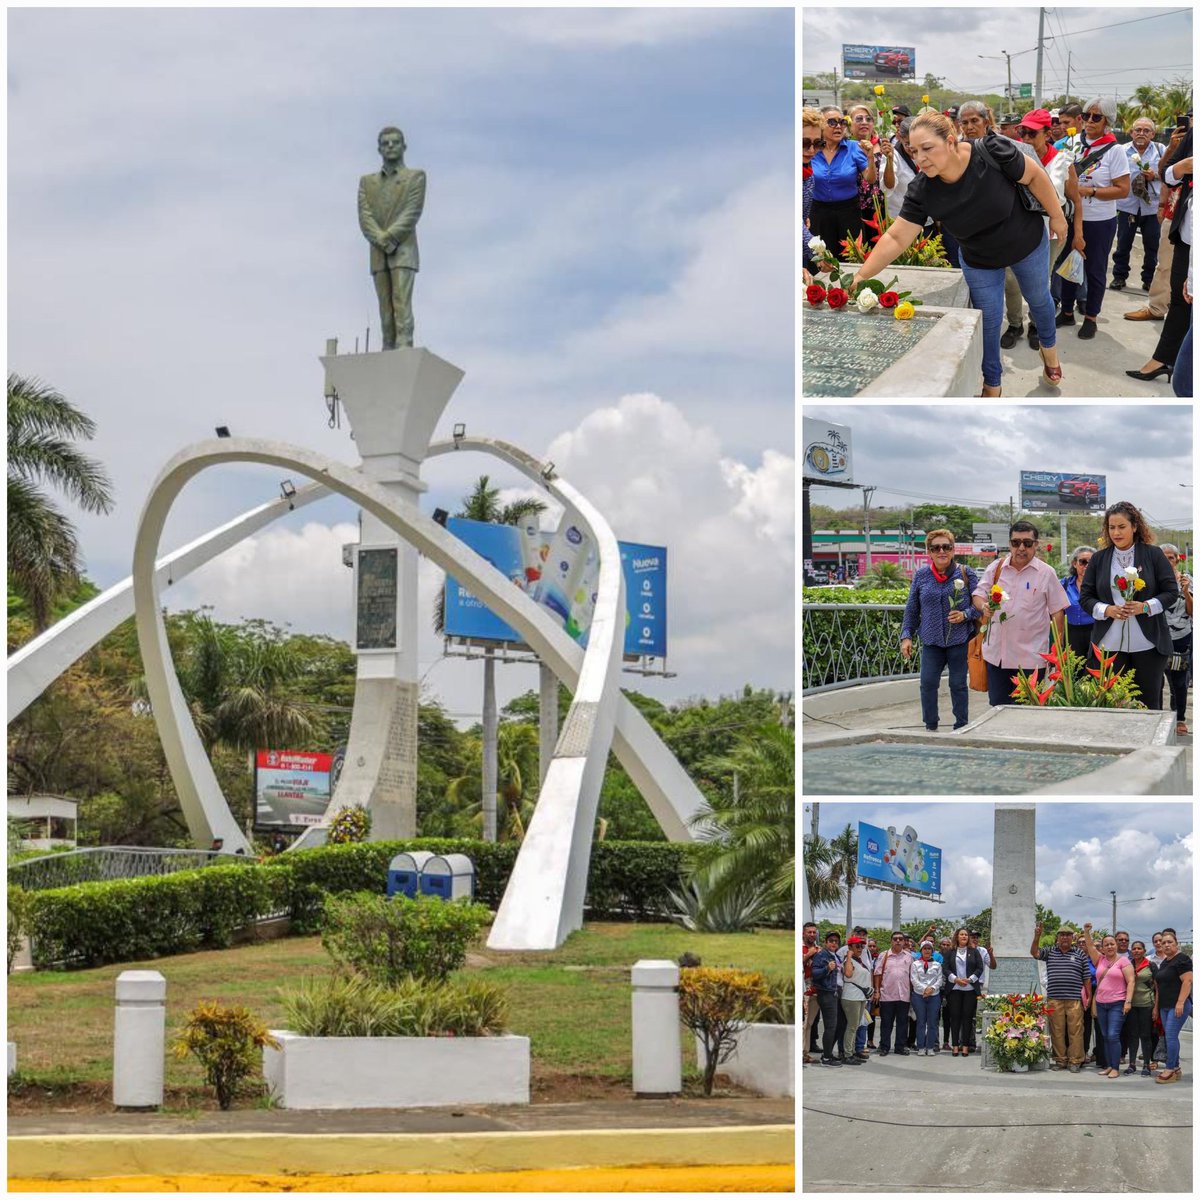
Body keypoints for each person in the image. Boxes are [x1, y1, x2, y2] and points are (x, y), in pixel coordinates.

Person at [848, 112, 1066, 397]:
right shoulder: (921, 189)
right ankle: (992, 385)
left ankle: (1049, 351)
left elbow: (1035, 176)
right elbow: (896, 236)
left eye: (928, 148)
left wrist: (1057, 216)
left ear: (950, 142)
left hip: (1025, 243)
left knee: (1038, 300)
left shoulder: (991, 151)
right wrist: (863, 275)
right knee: (987, 322)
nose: (920, 158)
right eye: (914, 151)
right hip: (979, 258)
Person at [1078, 501, 1179, 710]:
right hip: (1108, 646)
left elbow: (1171, 592)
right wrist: (1107, 610)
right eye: (1111, 527)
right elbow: (1086, 597)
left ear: (1134, 526)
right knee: (1112, 704)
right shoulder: (1099, 559)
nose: (1116, 532)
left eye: (1121, 527)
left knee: (1148, 705)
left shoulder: (1153, 555)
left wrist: (1146, 606)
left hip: (1149, 644)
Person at [1054, 98, 1130, 341]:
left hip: (1099, 219)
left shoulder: (1114, 150)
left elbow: (1123, 189)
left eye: (1096, 117)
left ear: (1107, 121)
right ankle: (1067, 311)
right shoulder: (1073, 144)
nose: (1088, 121)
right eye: (1086, 115)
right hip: (1071, 215)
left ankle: (1091, 317)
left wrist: (1090, 191)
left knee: (1094, 269)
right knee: (1066, 265)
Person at [972, 520, 1069, 707]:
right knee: (998, 710)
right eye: (1016, 543)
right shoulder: (996, 568)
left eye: (1027, 543)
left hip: (1031, 660)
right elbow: (978, 594)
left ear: (1036, 545)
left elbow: (1057, 611)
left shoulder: (1046, 573)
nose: (1021, 548)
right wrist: (984, 606)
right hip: (997, 657)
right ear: (1010, 544)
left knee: (1028, 713)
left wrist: (1056, 650)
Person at [1009, 109, 1083, 352]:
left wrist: (1078, 234)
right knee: (1011, 281)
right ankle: (1014, 324)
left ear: (1048, 134)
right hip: (1017, 231)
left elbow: (1075, 199)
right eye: (1022, 132)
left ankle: (1036, 326)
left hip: (1050, 235)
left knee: (1040, 283)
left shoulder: (1062, 161)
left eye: (1032, 133)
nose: (1026, 139)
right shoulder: (1015, 157)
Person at [1126, 129, 1192, 386]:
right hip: (1186, 235)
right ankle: (1164, 358)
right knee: (1179, 299)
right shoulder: (1192, 135)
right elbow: (1168, 175)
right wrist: (1180, 166)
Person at [900, 529, 981, 732]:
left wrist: (965, 615)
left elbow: (979, 605)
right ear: (929, 551)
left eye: (947, 547)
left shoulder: (965, 573)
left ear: (953, 550)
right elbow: (912, 608)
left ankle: (961, 725)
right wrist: (906, 636)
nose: (942, 551)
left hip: (959, 640)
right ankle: (930, 724)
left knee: (958, 684)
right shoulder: (921, 576)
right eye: (936, 547)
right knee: (927, 683)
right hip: (931, 640)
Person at [359, 126, 426, 350]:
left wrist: (390, 237)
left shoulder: (415, 177)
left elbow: (412, 211)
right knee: (384, 306)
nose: (390, 146)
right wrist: (380, 239)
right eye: (385, 143)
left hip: (403, 250)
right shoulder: (367, 182)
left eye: (395, 142)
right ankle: (388, 344)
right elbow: (365, 215)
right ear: (379, 148)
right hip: (378, 252)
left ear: (403, 146)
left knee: (401, 301)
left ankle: (404, 343)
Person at [808, 107, 875, 258]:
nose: (838, 126)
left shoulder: (853, 147)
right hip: (818, 214)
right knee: (822, 259)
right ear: (820, 125)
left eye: (842, 122)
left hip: (849, 213)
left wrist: (870, 157)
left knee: (852, 258)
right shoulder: (811, 149)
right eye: (832, 122)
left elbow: (870, 179)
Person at [1112, 118, 1167, 292]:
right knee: (1123, 243)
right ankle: (1119, 277)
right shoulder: (1121, 151)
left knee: (1152, 245)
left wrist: (1155, 176)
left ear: (1153, 133)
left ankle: (1149, 279)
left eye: (1146, 130)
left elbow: (1169, 173)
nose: (1141, 133)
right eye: (1138, 130)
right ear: (1131, 132)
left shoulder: (1161, 150)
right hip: (1127, 205)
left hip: (1152, 207)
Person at [1031, 921, 1090, 1072]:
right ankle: (1060, 1060)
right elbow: (1035, 953)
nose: (1065, 938)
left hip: (1074, 998)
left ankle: (1075, 1061)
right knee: (1057, 1030)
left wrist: (1088, 997)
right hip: (1054, 999)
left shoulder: (1080, 953)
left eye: (1068, 935)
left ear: (1072, 938)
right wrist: (1037, 936)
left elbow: (1086, 977)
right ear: (1057, 937)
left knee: (1076, 1031)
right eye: (1062, 935)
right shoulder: (1050, 951)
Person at [1080, 924, 1135, 1080]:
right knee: (1104, 1036)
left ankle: (1116, 1067)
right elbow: (1090, 946)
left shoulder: (1123, 961)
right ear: (1102, 948)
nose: (1109, 946)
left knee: (1113, 1035)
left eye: (1112, 944)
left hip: (1117, 1003)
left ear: (1116, 945)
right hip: (1102, 1004)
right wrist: (1086, 932)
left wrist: (1128, 1002)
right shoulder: (1100, 960)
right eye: (1106, 945)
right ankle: (1110, 1065)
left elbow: (1131, 981)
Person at [1158, 544, 1192, 735]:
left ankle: (1179, 718)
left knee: (1179, 681)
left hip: (1180, 638)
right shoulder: (1149, 581)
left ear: (1177, 560)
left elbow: (1193, 612)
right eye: (1163, 557)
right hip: (1156, 637)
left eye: (1171, 557)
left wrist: (1186, 592)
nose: (1167, 561)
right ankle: (1156, 715)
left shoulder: (1189, 581)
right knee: (1156, 680)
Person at [1151, 930, 1192, 1083]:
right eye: (1163, 943)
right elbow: (1159, 987)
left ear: (1176, 944)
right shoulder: (1165, 962)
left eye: (1170, 942)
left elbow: (1187, 981)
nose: (1166, 945)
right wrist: (1156, 1007)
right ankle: (1175, 1067)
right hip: (1164, 1006)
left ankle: (1169, 1069)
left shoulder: (1182, 959)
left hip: (1178, 1005)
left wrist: (1180, 1002)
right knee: (1170, 1037)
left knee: (1170, 1036)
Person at [847, 104, 895, 224]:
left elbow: (890, 182)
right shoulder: (844, 148)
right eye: (859, 119)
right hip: (854, 211)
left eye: (868, 119)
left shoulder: (884, 145)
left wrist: (889, 159)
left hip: (884, 209)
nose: (864, 122)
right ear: (849, 124)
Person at [872, 931, 913, 1057]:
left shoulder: (908, 956)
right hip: (887, 995)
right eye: (895, 939)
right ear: (891, 941)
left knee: (902, 1023)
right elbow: (877, 974)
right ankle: (884, 1046)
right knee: (886, 1023)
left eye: (901, 939)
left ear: (904, 941)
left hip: (904, 995)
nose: (898, 941)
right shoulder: (884, 956)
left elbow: (912, 975)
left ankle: (900, 1047)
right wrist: (877, 991)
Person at [944, 927, 982, 1058]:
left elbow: (979, 968)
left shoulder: (974, 951)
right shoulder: (950, 951)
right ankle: (955, 1046)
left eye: (966, 935)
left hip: (970, 989)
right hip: (954, 989)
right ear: (957, 937)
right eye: (961, 934)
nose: (964, 936)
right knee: (955, 1018)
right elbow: (945, 968)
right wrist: (955, 979)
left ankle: (965, 1046)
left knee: (967, 1018)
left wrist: (970, 979)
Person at [811, 930, 846, 1067]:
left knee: (840, 1024)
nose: (834, 943)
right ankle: (826, 1058)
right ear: (825, 942)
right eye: (831, 941)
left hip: (836, 993)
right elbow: (815, 974)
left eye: (836, 941)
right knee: (831, 1026)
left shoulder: (836, 956)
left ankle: (828, 1052)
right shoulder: (821, 955)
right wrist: (827, 968)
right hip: (826, 993)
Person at [1123, 940, 1158, 1076]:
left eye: (1139, 948)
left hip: (1147, 1004)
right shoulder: (1128, 964)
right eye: (1134, 948)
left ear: (1144, 950)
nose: (1136, 951)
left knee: (1145, 1035)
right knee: (1132, 1036)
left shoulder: (1151, 965)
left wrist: (1156, 1007)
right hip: (1131, 1005)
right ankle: (1132, 1064)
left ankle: (1146, 1065)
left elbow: (1157, 987)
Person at [839, 935, 872, 1066]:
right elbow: (848, 974)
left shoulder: (860, 960)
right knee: (852, 1026)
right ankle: (847, 1054)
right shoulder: (848, 961)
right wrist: (848, 956)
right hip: (851, 997)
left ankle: (851, 1052)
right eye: (857, 946)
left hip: (860, 997)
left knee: (856, 1026)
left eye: (862, 946)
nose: (860, 948)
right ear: (850, 947)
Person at [1061, 545, 1097, 666]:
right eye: (1082, 562)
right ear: (1074, 564)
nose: (1086, 565)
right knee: (1073, 671)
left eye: (1090, 562)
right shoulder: (1064, 584)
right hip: (1071, 634)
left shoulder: (1100, 586)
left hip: (1094, 632)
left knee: (1094, 671)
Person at [802, 107, 825, 284]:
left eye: (817, 144)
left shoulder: (808, 171)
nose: (811, 150)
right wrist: (818, 252)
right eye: (804, 143)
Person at [910, 941, 944, 1056]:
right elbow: (914, 979)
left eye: (929, 948)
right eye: (924, 948)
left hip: (934, 996)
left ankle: (930, 1047)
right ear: (921, 950)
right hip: (919, 995)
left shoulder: (937, 965)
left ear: (932, 951)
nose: (927, 950)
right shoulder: (915, 964)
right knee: (920, 1021)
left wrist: (932, 989)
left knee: (932, 1022)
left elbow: (940, 980)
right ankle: (920, 1046)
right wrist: (925, 989)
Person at [802, 921, 822, 1065]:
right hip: (804, 987)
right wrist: (808, 954)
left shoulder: (818, 949)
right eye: (809, 932)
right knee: (803, 1023)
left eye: (814, 932)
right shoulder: (800, 948)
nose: (812, 935)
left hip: (816, 988)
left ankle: (805, 1052)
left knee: (809, 1023)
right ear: (803, 933)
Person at [938, 936, 955, 1049]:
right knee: (935, 1016)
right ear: (940, 946)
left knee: (948, 1017)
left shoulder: (954, 957)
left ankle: (946, 1042)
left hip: (950, 990)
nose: (945, 946)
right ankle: (934, 1042)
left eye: (948, 945)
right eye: (943, 944)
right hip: (936, 990)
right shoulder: (935, 956)